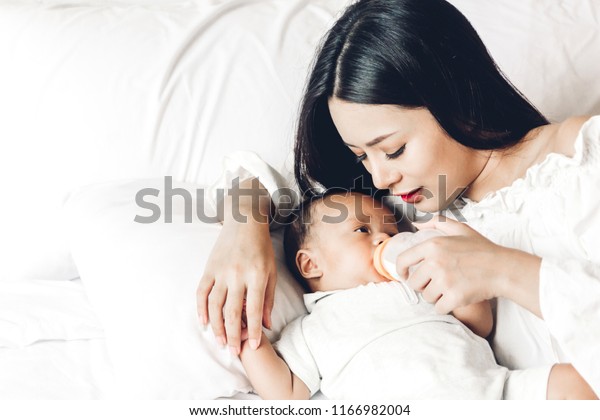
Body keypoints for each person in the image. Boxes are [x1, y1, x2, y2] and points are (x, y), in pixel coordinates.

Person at [197, 0, 600, 395]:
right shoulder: (400, 213)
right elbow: (272, 183)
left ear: (454, 96)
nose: (381, 176)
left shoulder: (579, 156)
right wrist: (243, 229)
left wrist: (504, 270)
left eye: (392, 150)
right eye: (361, 156)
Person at [239, 190, 596, 400]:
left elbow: (479, 325)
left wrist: (455, 261)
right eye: (362, 230)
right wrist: (247, 332)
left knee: (576, 380)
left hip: (495, 392)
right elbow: (286, 393)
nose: (384, 238)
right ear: (310, 264)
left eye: (391, 229)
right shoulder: (314, 328)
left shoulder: (420, 281)